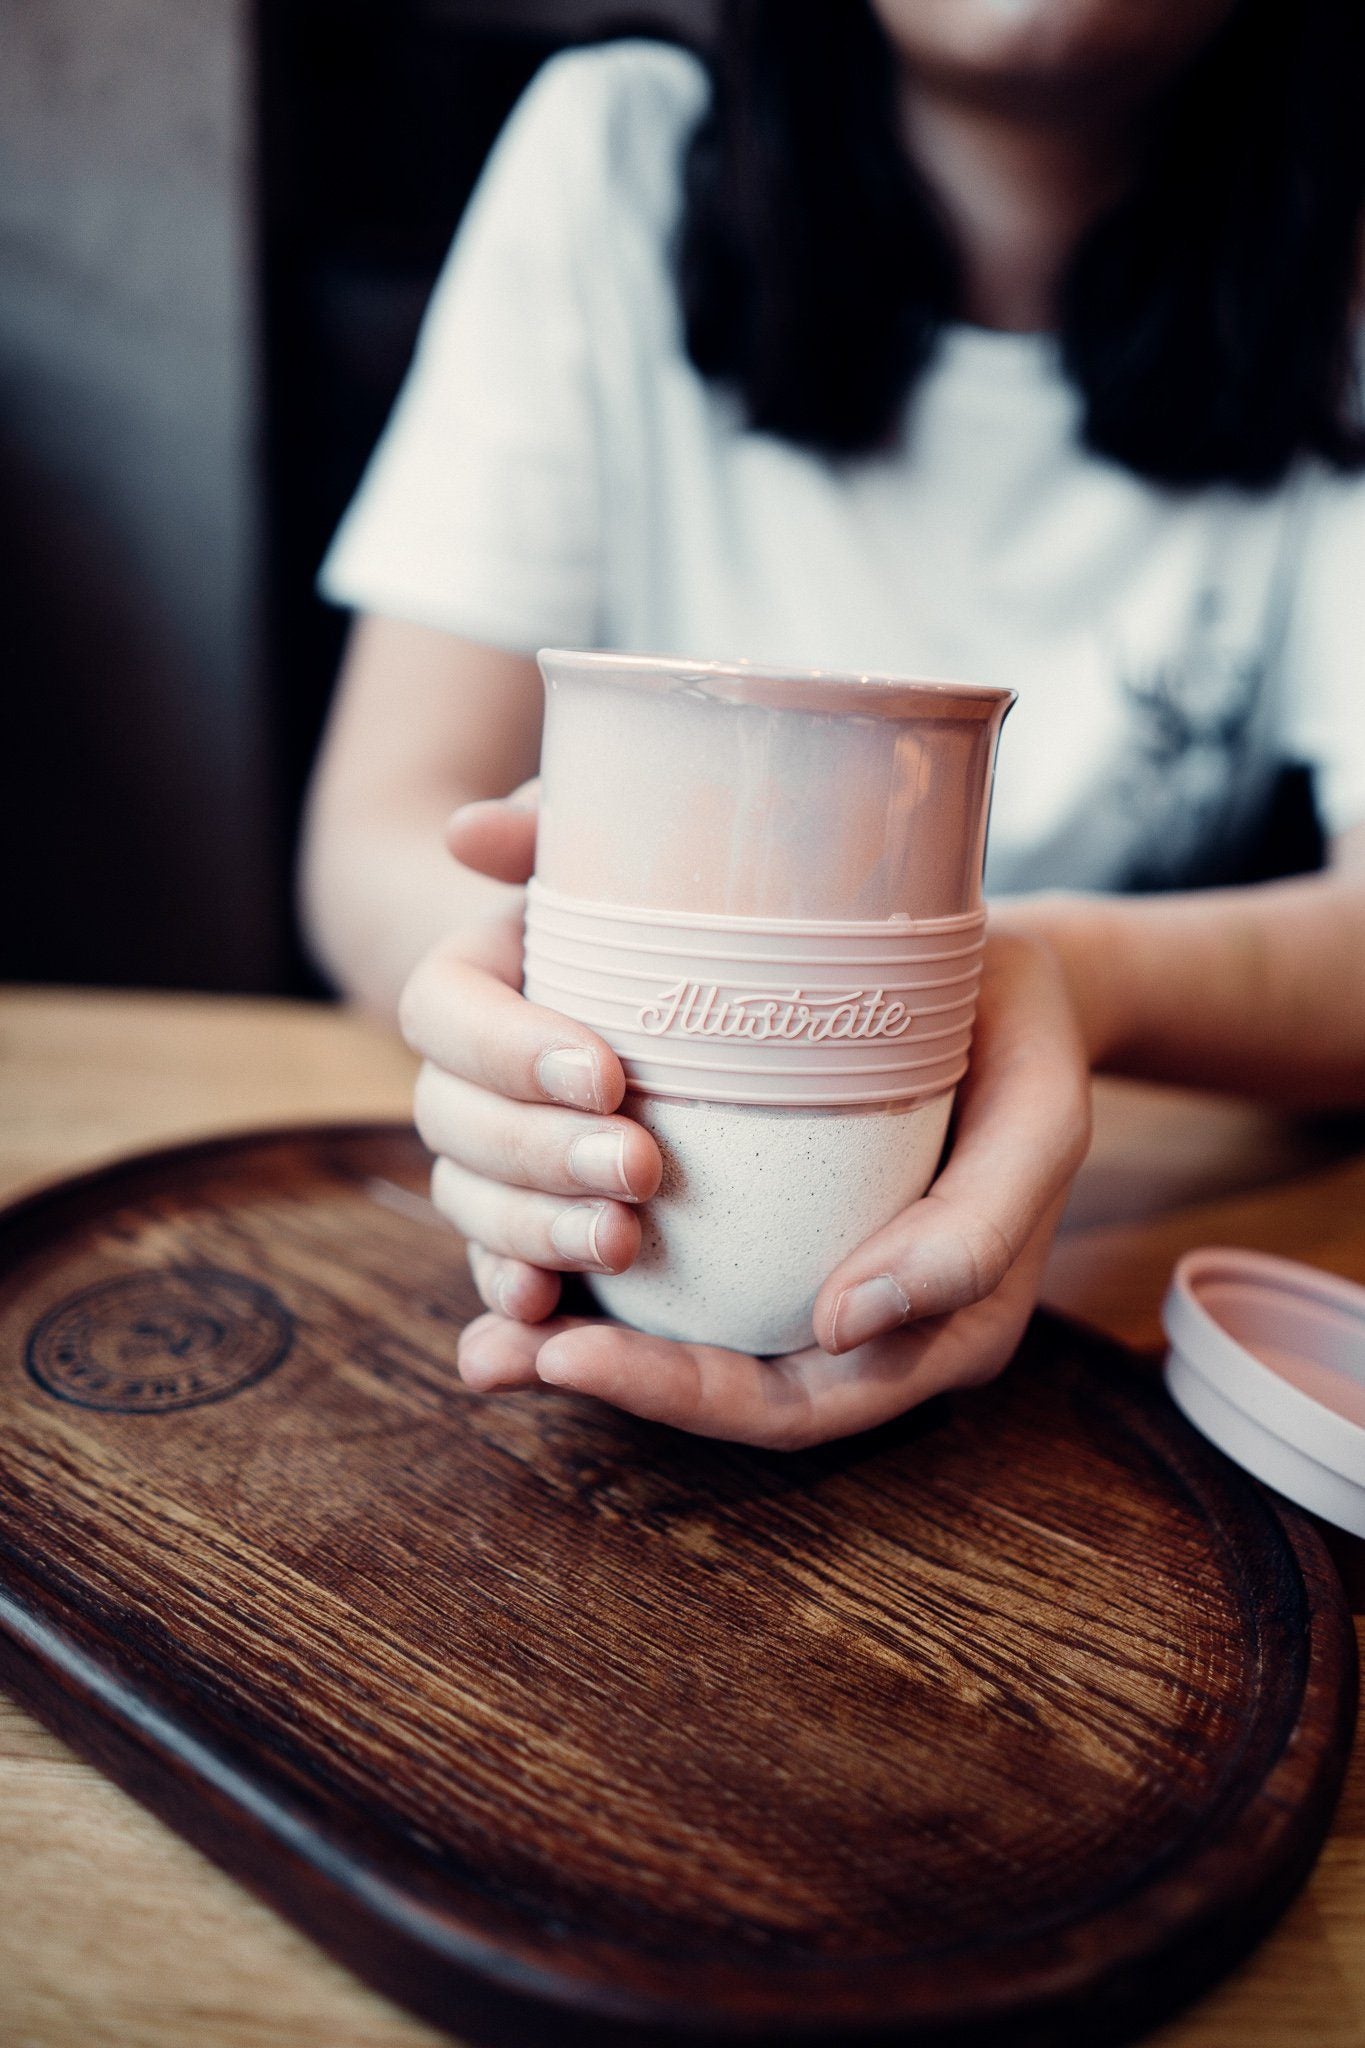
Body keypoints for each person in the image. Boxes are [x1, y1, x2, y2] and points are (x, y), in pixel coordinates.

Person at [300, 0, 1365, 1449]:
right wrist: (532, 1005)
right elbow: (384, 818)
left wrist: (1066, 978)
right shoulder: (615, 150)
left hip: (1130, 1287)